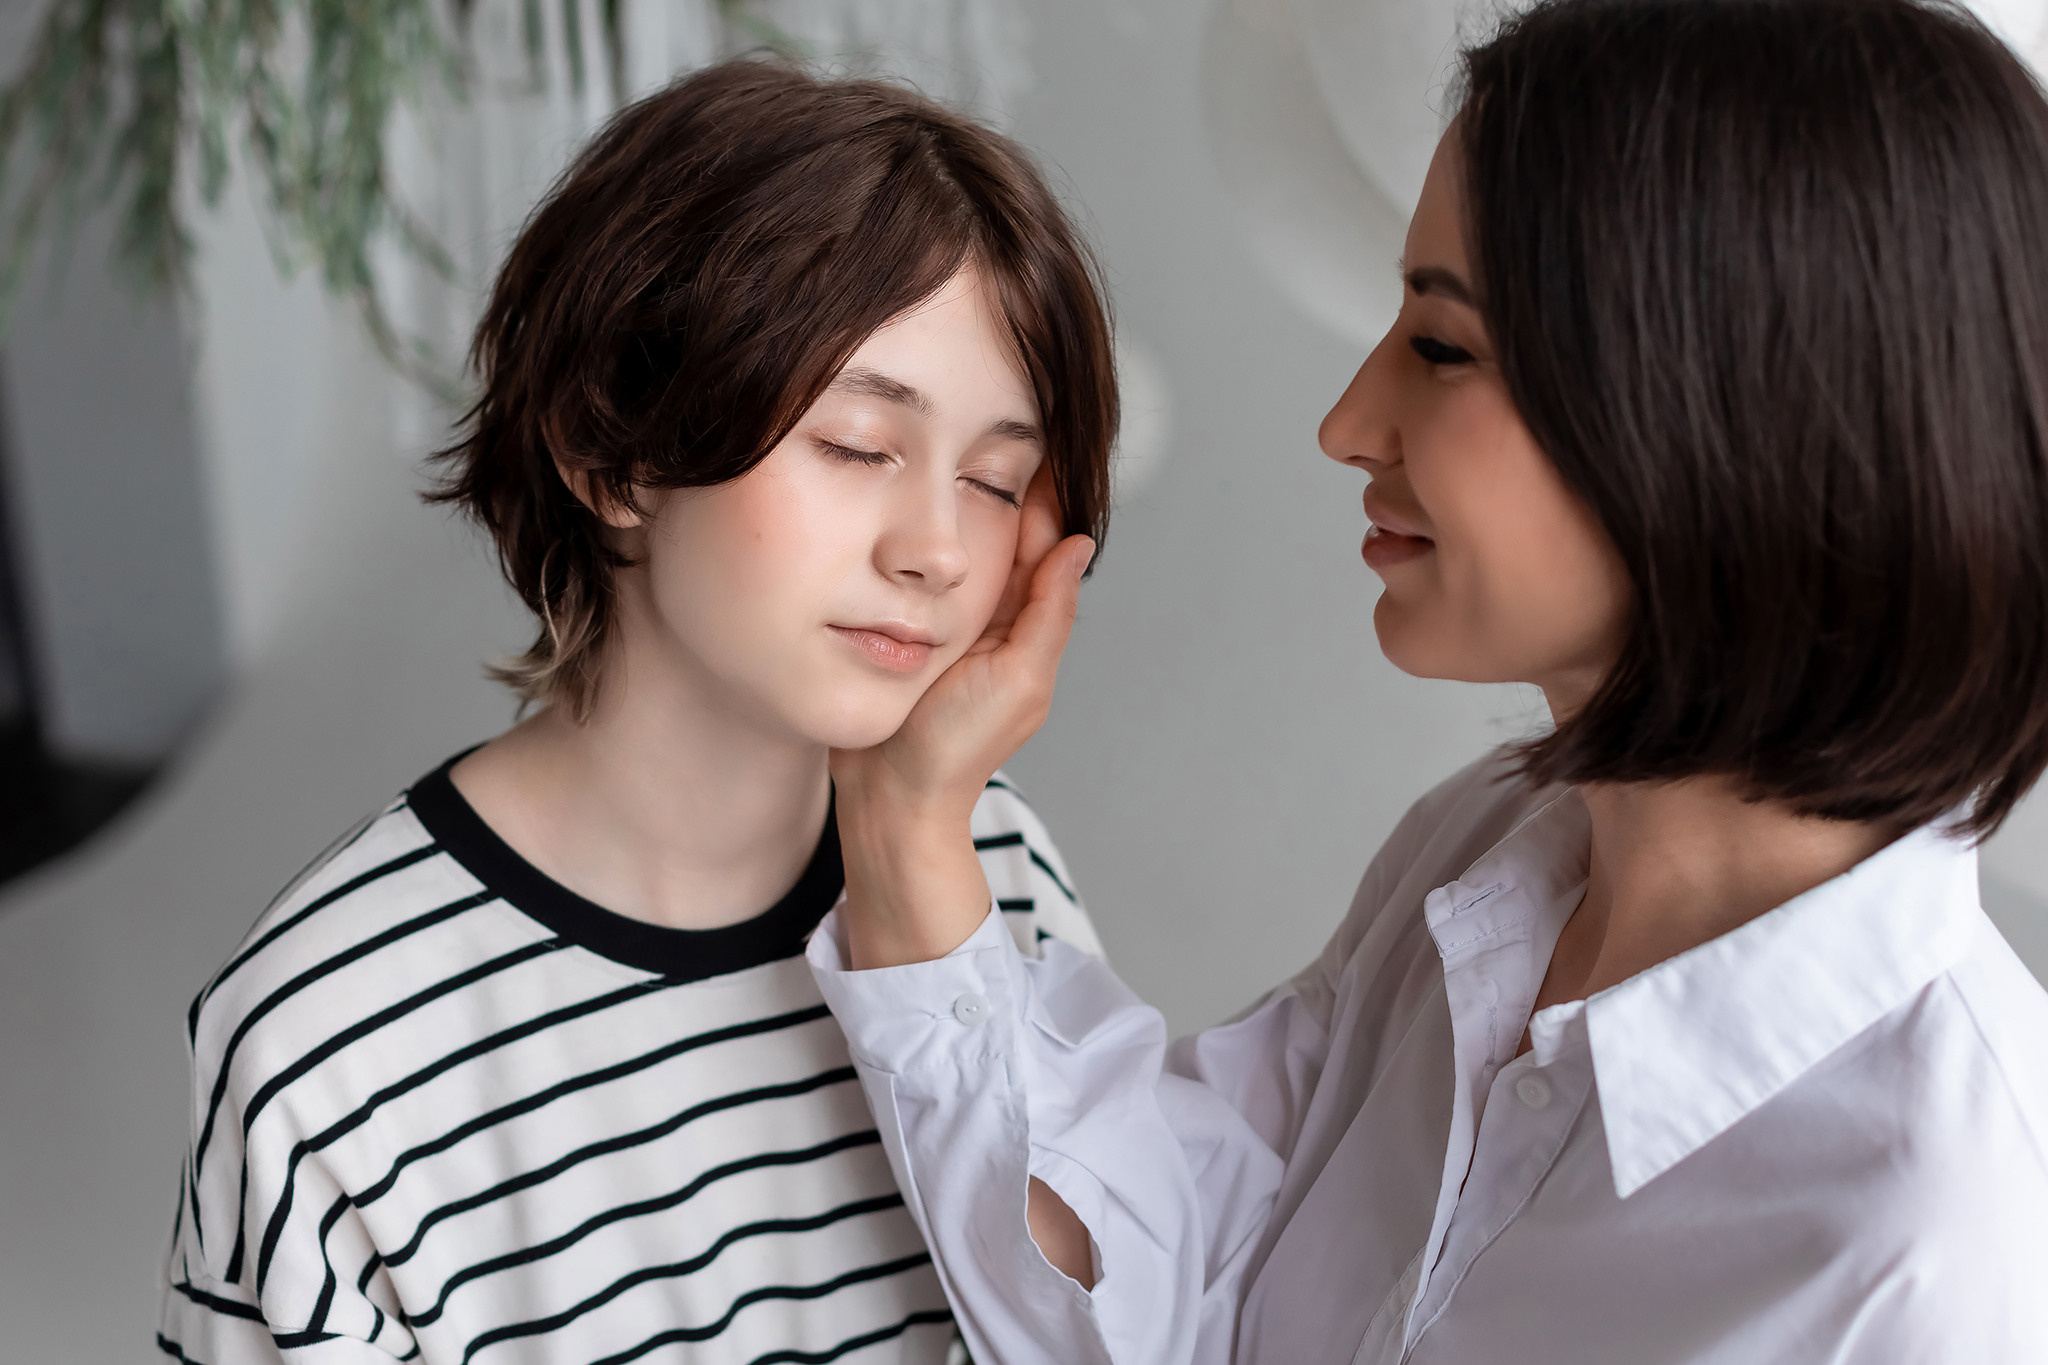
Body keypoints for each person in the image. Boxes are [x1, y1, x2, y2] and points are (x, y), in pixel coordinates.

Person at [806, 1, 2048, 1361]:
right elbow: (1174, 1288)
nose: (1347, 422)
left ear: (1732, 409)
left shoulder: (1939, 1243)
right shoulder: (1489, 859)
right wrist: (909, 823)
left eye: (1444, 346)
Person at [158, 61, 1116, 1365]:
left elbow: (1105, 1340)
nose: (940, 548)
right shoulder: (329, 1036)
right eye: (857, 445)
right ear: (608, 447)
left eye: (998, 479)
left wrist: (926, 862)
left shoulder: (994, 868)